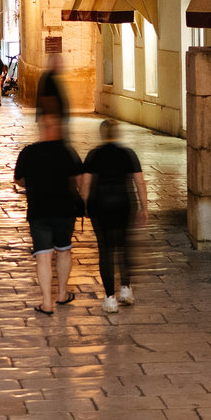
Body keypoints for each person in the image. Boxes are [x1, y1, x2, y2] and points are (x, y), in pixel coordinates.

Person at [13, 105, 86, 313]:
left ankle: (47, 303)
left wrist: (33, 185)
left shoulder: (29, 152)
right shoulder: (67, 151)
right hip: (65, 210)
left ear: (41, 128)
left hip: (39, 210)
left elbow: (18, 180)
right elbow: (81, 179)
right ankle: (62, 293)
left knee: (43, 255)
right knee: (64, 251)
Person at [84, 119, 148, 313]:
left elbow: (86, 183)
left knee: (105, 250)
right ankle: (126, 289)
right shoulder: (128, 154)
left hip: (100, 204)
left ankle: (110, 298)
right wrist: (144, 207)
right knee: (124, 245)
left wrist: (86, 206)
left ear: (102, 134)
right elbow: (140, 182)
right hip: (123, 203)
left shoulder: (94, 155)